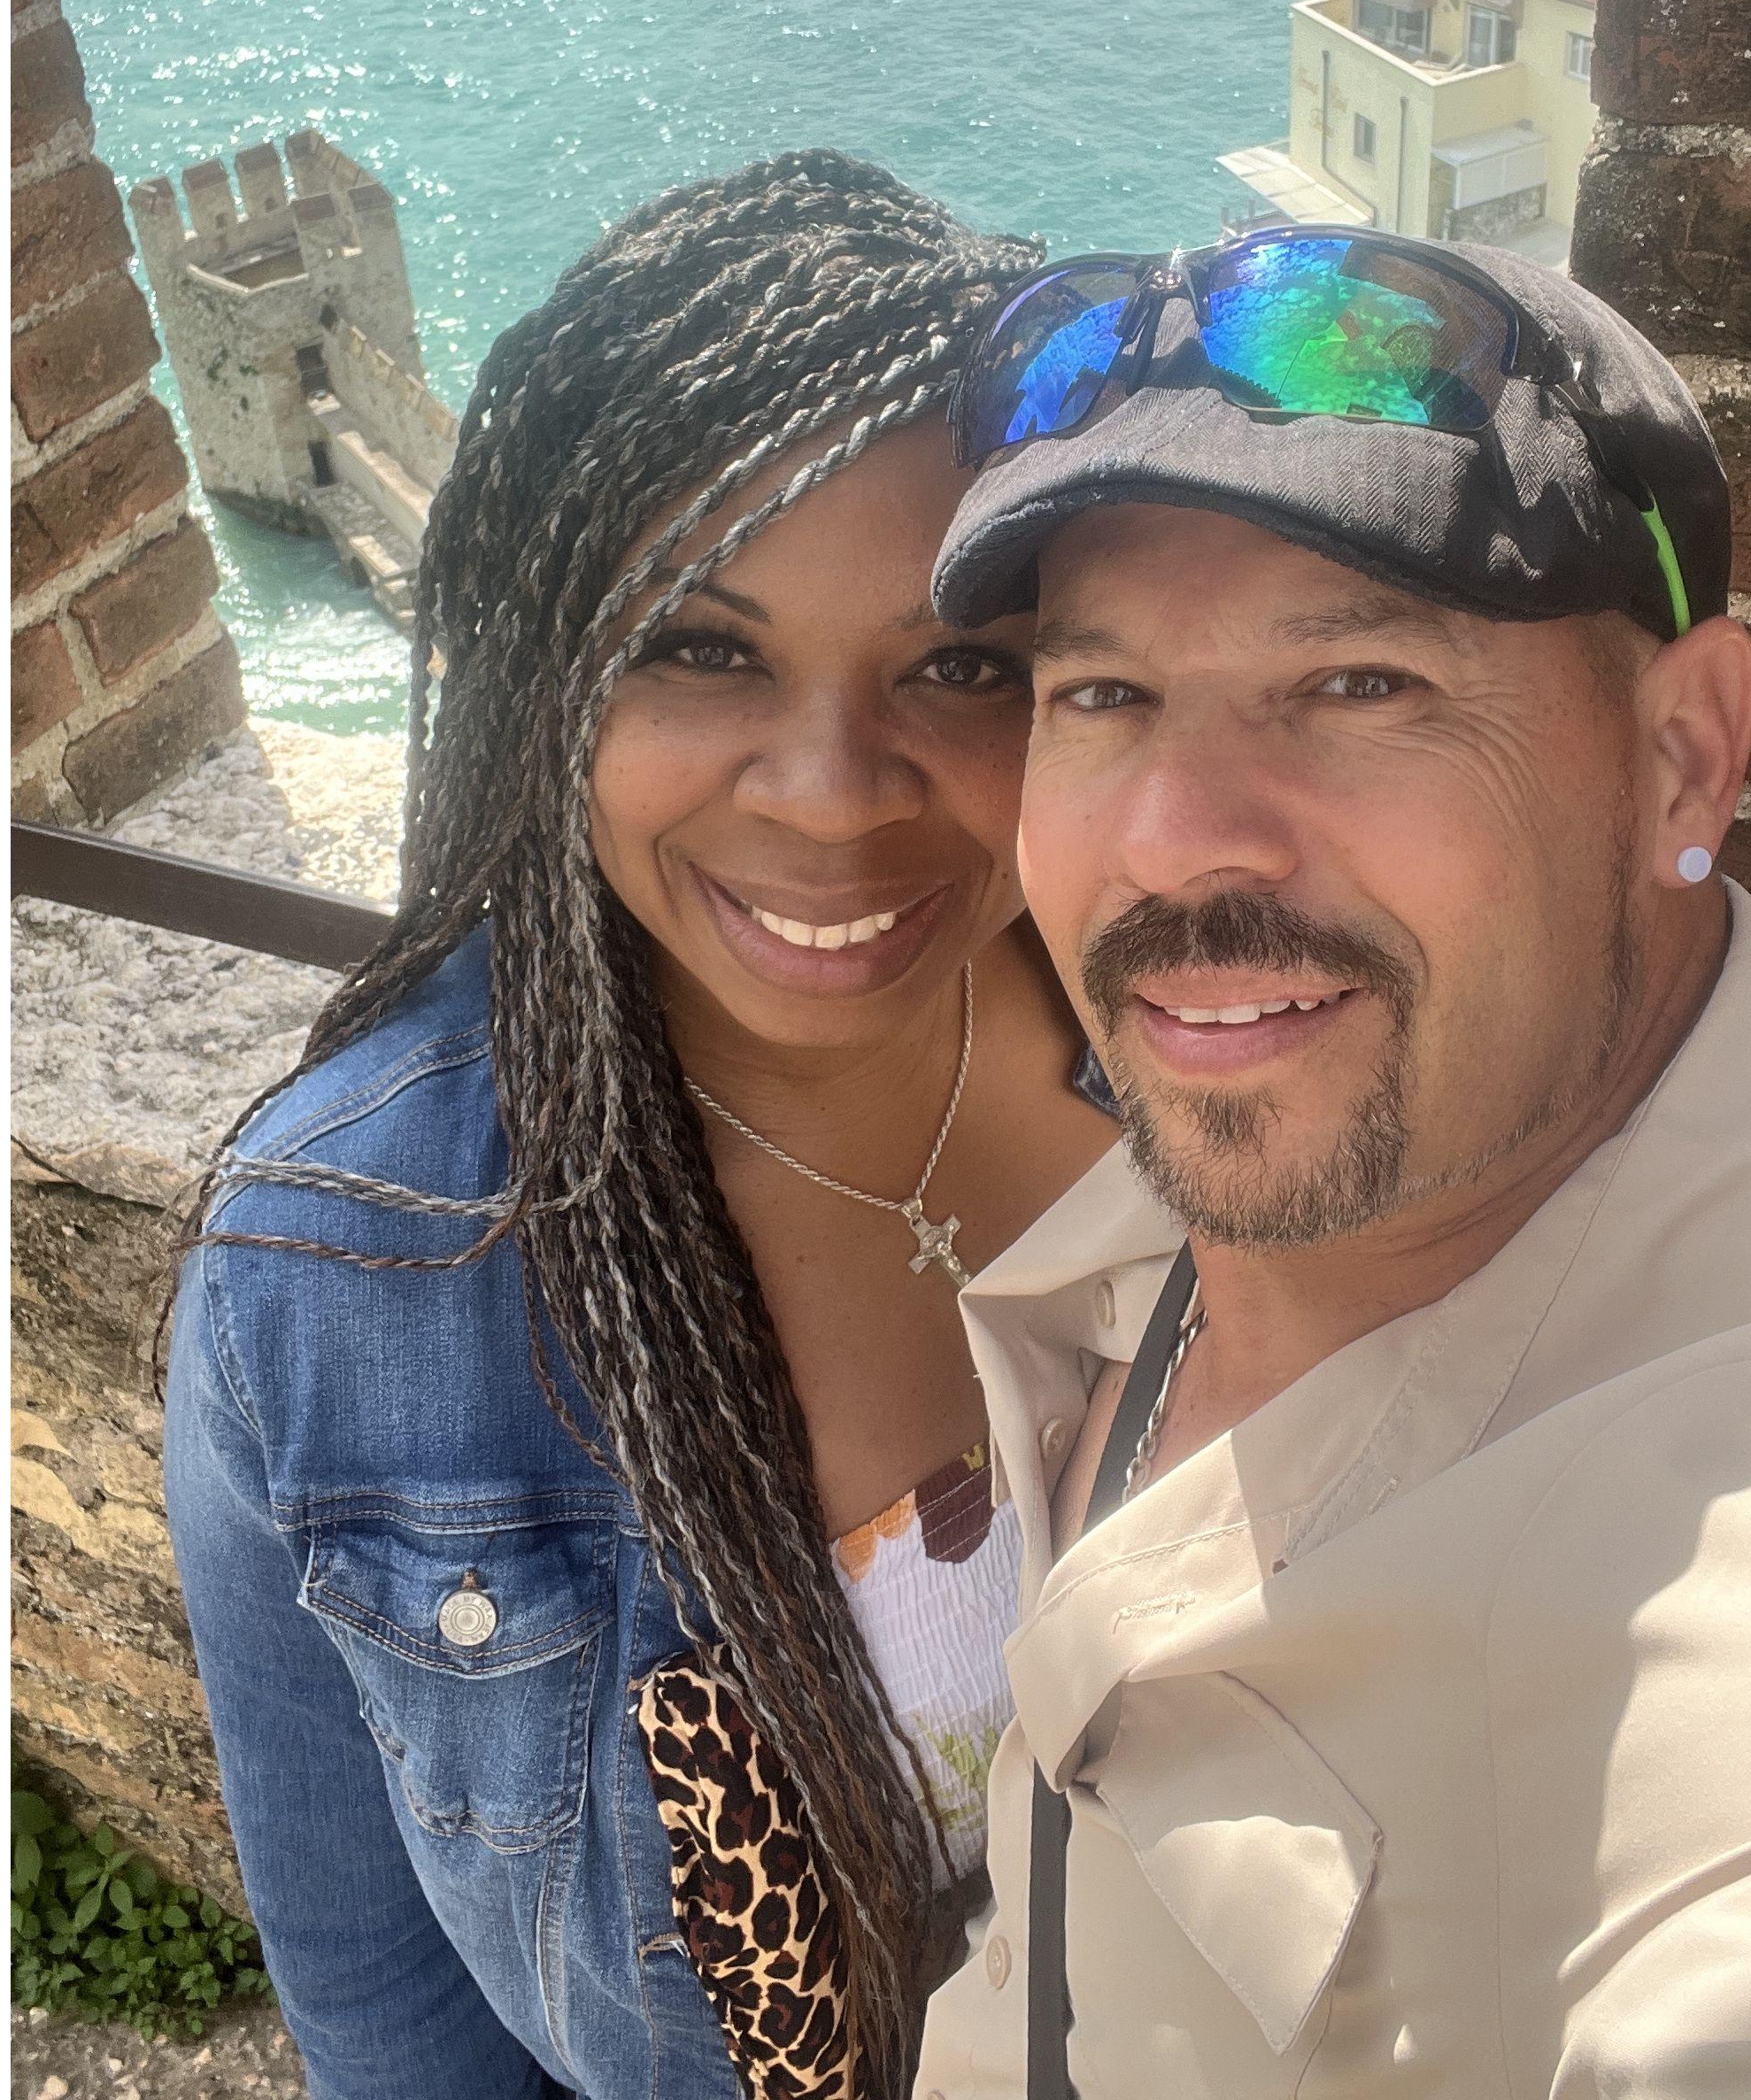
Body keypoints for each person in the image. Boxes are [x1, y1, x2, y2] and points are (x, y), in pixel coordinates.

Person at [914, 229, 1751, 2096]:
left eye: (1358, 683)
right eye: (1097, 693)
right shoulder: (1312, 1157)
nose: (1175, 840)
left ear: (1683, 757)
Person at [163, 154, 1126, 2100]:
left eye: (958, 662)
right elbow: (387, 2013)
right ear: (543, 680)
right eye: (700, 647)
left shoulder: (1233, 1060)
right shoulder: (340, 1283)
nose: (833, 792)